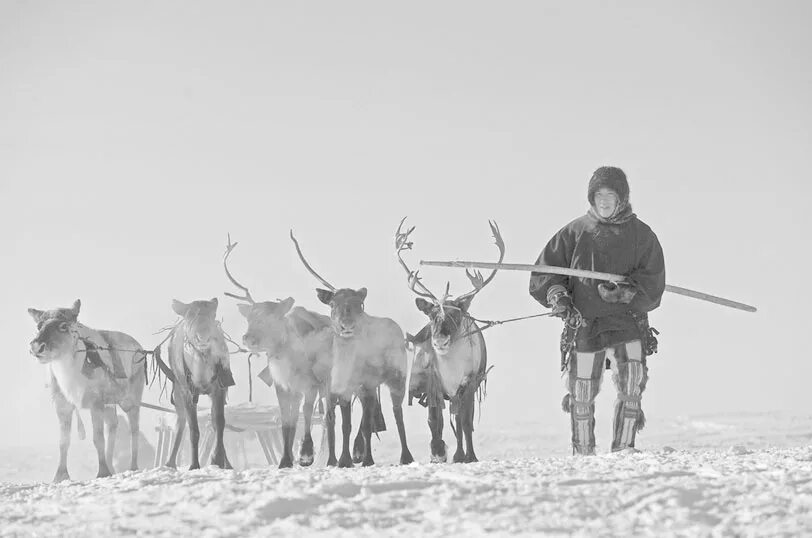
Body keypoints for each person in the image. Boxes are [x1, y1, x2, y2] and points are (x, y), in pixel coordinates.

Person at [529, 166, 665, 455]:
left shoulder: (642, 235)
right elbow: (545, 274)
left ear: (622, 198)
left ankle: (624, 451)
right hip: (585, 323)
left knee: (631, 387)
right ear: (591, 198)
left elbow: (653, 281)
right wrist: (558, 297)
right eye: (599, 195)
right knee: (581, 394)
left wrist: (627, 292)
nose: (604, 201)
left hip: (627, 323)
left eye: (610, 195)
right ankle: (583, 454)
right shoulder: (575, 232)